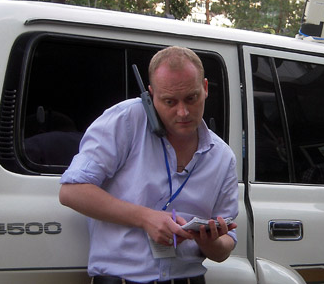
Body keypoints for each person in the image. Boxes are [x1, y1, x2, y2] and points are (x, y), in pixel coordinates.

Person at [59, 46, 239, 284]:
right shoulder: (126, 121)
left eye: (191, 98)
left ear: (205, 88)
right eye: (169, 101)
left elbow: (225, 247)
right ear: (151, 94)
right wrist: (145, 218)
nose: (183, 111)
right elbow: (71, 191)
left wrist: (210, 242)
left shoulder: (223, 156)